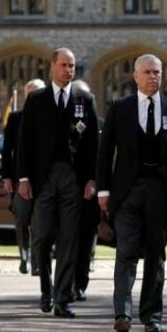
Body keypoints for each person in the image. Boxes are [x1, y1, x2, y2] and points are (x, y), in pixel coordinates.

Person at [97, 54, 167, 332]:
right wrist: (103, 189)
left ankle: (152, 315)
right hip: (127, 191)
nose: (153, 77)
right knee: (127, 251)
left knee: (156, 255)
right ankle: (122, 313)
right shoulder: (120, 108)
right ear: (136, 76)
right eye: (148, 72)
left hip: (160, 191)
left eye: (157, 72)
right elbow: (105, 153)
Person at [17, 48, 99, 318]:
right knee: (41, 234)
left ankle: (63, 298)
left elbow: (92, 145)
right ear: (52, 66)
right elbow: (24, 141)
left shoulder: (84, 100)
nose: (68, 70)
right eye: (63, 65)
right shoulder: (37, 99)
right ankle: (46, 290)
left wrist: (91, 180)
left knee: (69, 238)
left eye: (72, 65)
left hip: (73, 179)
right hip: (43, 178)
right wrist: (24, 177)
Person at [1, 78, 45, 276]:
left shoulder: (49, 117)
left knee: (40, 222)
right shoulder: (16, 118)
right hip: (21, 179)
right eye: (31, 93)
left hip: (44, 180)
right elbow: (7, 150)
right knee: (22, 219)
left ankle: (37, 260)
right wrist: (7, 177)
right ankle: (24, 256)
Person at [70, 79, 101, 302]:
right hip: (65, 186)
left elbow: (101, 156)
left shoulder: (100, 124)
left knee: (84, 237)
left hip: (88, 189)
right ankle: (64, 283)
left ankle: (79, 283)